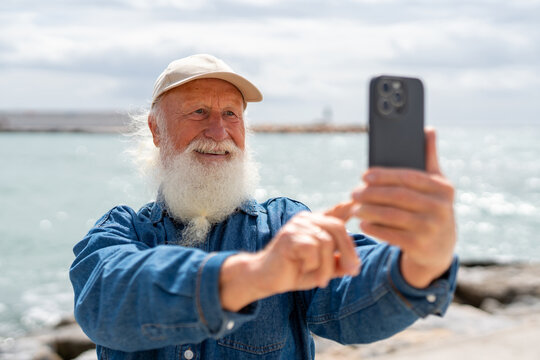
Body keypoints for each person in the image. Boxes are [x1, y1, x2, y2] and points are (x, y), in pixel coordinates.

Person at [70, 54, 458, 360]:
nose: (218, 132)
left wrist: (423, 262)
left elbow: (351, 303)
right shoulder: (121, 231)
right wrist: (257, 274)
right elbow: (106, 303)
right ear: (157, 131)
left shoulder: (284, 225)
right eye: (198, 112)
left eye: (230, 114)